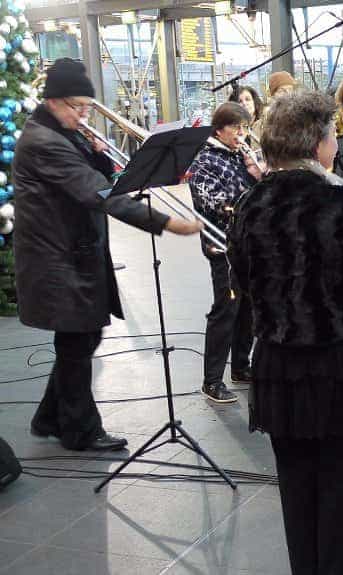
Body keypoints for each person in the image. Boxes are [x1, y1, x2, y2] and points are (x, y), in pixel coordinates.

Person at [228, 90, 343, 572]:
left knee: (298, 493)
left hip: (279, 369)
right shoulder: (342, 202)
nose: (335, 145)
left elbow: (241, 281)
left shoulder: (250, 203)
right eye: (332, 135)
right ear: (318, 142)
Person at [14, 58, 202, 451]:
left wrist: (98, 153)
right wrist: (165, 222)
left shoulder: (60, 131)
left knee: (80, 339)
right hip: (57, 260)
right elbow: (97, 193)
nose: (83, 115)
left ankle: (50, 417)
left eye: (87, 107)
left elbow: (94, 178)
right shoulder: (44, 141)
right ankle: (80, 430)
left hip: (72, 253)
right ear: (53, 100)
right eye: (77, 107)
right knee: (78, 341)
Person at [187, 102, 263, 403]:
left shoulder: (240, 155)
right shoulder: (204, 160)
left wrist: (259, 174)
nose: (242, 135)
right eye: (236, 128)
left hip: (248, 242)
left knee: (248, 307)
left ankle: (241, 366)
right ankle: (212, 380)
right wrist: (252, 194)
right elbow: (213, 202)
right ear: (219, 129)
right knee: (225, 309)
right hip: (221, 244)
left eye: (245, 128)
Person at [251, 71, 296, 143]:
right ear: (273, 94)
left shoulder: (298, 115)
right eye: (282, 91)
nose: (288, 94)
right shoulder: (265, 120)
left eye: (290, 90)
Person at [228, 84, 264, 149]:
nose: (244, 103)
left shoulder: (264, 124)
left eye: (248, 99)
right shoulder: (233, 130)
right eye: (240, 101)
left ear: (255, 102)